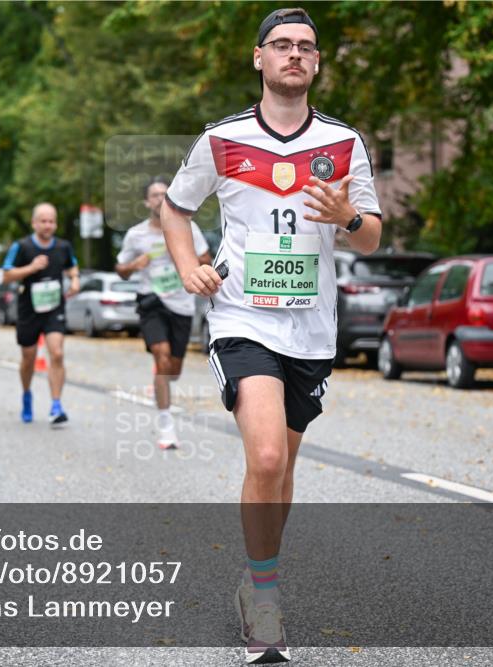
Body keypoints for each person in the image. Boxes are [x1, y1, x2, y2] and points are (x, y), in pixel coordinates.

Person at [162, 7, 383, 663]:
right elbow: (175, 209)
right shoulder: (222, 140)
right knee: (264, 458)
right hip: (242, 317)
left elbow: (373, 237)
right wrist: (188, 266)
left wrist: (348, 216)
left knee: (281, 469)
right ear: (258, 58)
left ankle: (255, 578)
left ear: (316, 63)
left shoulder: (344, 144)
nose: (294, 54)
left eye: (306, 47)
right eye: (282, 45)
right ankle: (265, 603)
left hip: (310, 329)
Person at [116, 176, 210, 449]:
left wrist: (181, 252)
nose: (159, 199)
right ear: (147, 202)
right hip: (152, 301)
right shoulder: (136, 235)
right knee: (162, 354)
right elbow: (120, 269)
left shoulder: (187, 228)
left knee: (173, 370)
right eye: (155, 195)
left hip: (181, 303)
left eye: (164, 194)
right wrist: (134, 265)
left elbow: (206, 259)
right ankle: (166, 426)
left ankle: (162, 375)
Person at [2, 203, 79, 427]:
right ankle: (27, 394)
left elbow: (72, 267)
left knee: (57, 353)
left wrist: (75, 280)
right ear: (34, 223)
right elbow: (6, 276)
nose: (47, 225)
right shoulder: (21, 247)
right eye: (43, 221)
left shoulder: (63, 246)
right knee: (29, 358)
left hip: (54, 308)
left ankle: (56, 406)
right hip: (29, 310)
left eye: (51, 221)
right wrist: (31, 267)